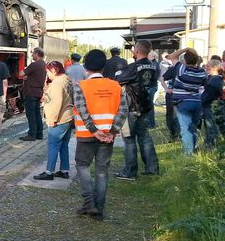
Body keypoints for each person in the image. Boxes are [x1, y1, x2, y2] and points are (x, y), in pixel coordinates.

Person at [72, 49, 128, 219]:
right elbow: (123, 110)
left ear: (86, 67)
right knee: (102, 172)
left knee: (82, 166)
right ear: (104, 66)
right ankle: (99, 209)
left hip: (86, 135)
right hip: (107, 137)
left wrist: (94, 130)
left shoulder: (80, 86)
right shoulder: (116, 86)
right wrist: (112, 132)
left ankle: (89, 202)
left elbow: (82, 110)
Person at [114, 40, 159, 181]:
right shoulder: (153, 66)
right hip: (146, 107)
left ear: (137, 51)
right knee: (145, 138)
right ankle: (152, 168)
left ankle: (130, 172)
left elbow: (118, 79)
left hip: (131, 107)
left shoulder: (133, 67)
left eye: (134, 49)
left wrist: (119, 73)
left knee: (129, 139)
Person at [33, 61, 73, 181]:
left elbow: (56, 103)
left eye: (48, 72)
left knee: (53, 145)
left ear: (54, 71)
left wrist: (52, 119)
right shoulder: (67, 80)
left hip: (59, 119)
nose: (47, 74)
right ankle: (64, 170)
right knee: (64, 145)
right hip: (68, 117)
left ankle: (49, 172)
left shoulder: (57, 83)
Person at [166, 47, 206, 155]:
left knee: (185, 129)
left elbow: (172, 56)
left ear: (185, 60)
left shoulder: (181, 69)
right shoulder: (202, 72)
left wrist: (185, 49)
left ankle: (188, 153)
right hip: (197, 102)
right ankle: (195, 146)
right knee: (193, 127)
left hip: (184, 103)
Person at [19, 47, 46, 141]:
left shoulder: (35, 64)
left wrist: (25, 74)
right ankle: (39, 134)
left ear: (37, 54)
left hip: (31, 92)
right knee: (37, 114)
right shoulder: (43, 64)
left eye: (33, 53)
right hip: (38, 92)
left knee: (31, 114)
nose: (32, 55)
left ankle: (31, 134)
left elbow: (21, 73)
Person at [201, 59, 224, 149]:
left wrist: (202, 101)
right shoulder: (212, 78)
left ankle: (210, 145)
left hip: (210, 105)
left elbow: (208, 94)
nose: (206, 67)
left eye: (208, 66)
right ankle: (209, 143)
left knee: (210, 126)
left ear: (214, 68)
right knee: (209, 125)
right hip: (209, 104)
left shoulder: (215, 80)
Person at [160, 52, 180, 141]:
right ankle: (174, 134)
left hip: (174, 95)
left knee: (172, 115)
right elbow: (162, 78)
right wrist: (166, 89)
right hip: (174, 94)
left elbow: (162, 78)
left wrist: (166, 89)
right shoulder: (174, 68)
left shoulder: (175, 68)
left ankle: (175, 134)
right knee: (173, 115)